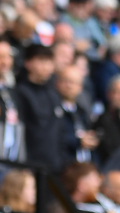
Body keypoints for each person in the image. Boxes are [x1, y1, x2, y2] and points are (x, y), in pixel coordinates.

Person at [16, 44, 63, 173]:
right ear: (28, 63)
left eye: (49, 62)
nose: (47, 67)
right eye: (42, 61)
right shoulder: (20, 93)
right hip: (31, 164)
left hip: (55, 164)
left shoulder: (54, 93)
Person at [56, 65, 99, 166]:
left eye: (74, 82)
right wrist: (77, 141)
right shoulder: (51, 109)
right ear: (57, 83)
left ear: (80, 87)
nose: (69, 86)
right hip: (64, 167)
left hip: (84, 166)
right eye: (66, 81)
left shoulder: (82, 112)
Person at [0, 40, 26, 164]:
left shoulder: (12, 90)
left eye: (8, 57)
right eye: (1, 57)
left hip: (11, 156)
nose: (4, 62)